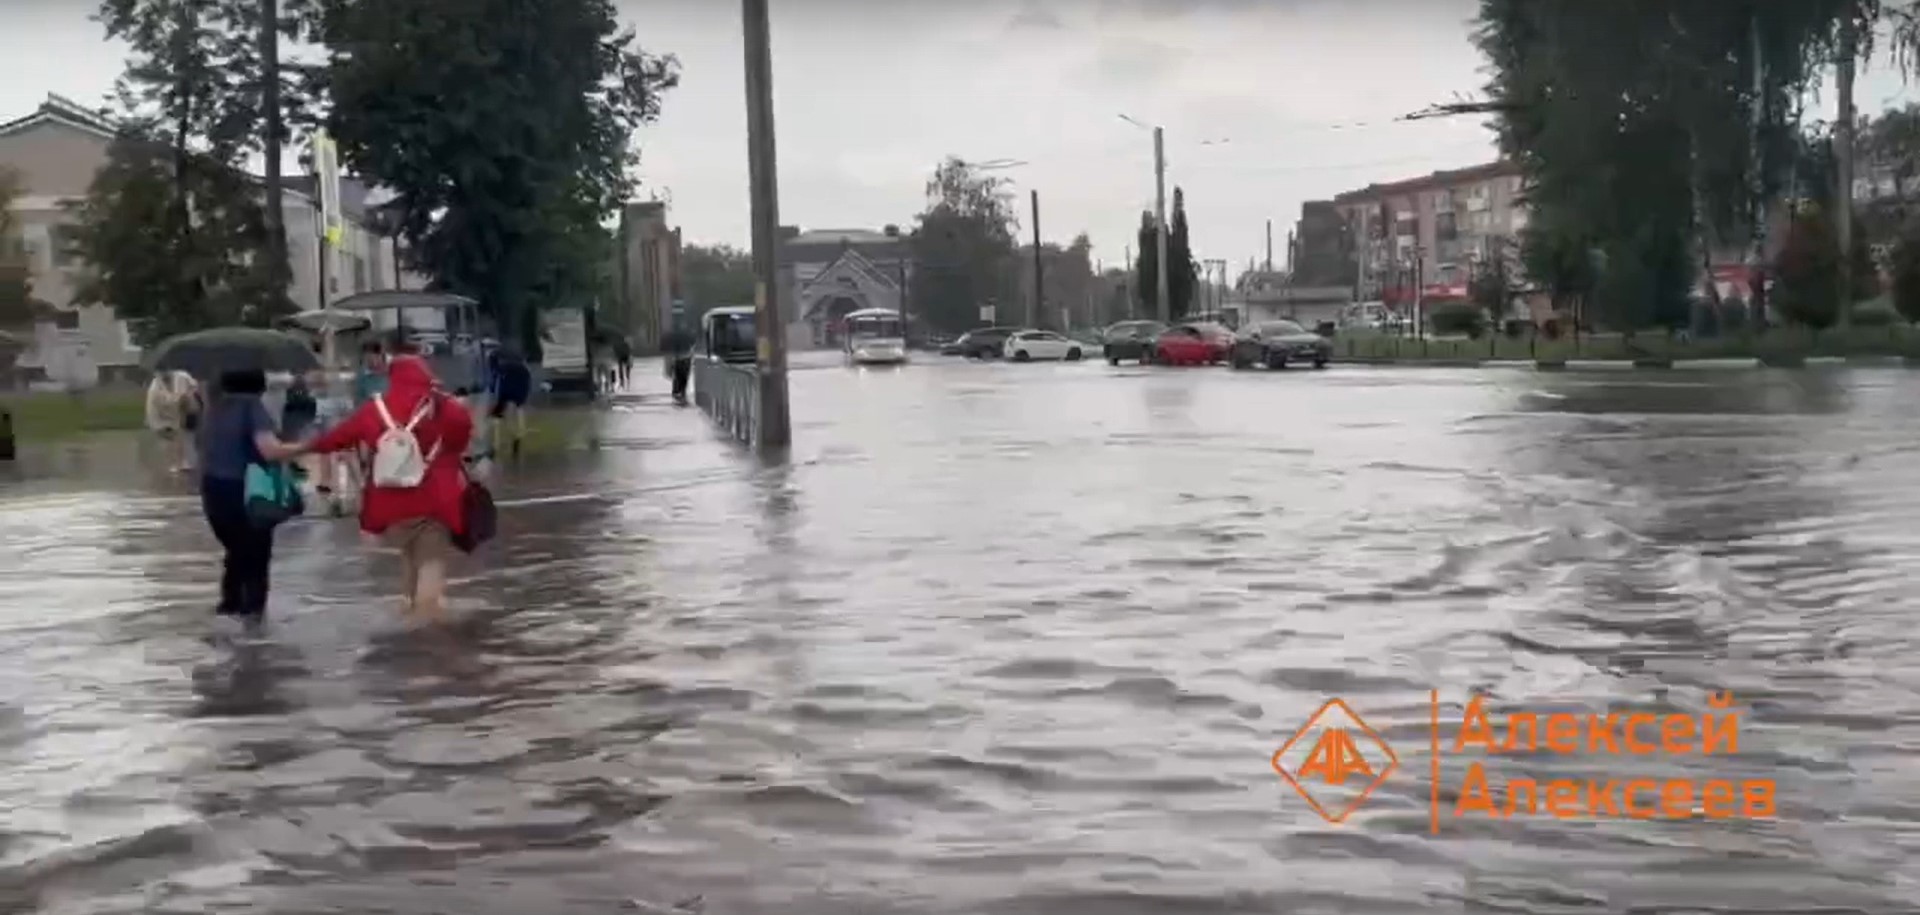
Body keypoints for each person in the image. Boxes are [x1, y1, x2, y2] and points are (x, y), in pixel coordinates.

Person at [295, 356, 474, 625]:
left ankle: (407, 616)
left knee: (409, 557)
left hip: (390, 504)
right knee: (430, 566)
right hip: (435, 499)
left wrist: (298, 449)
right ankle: (427, 640)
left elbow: (337, 438)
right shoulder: (443, 407)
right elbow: (461, 435)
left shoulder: (373, 410)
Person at [198, 368, 304, 621]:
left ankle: (229, 610)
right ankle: (254, 624)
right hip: (246, 492)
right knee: (256, 558)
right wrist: (309, 446)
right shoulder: (252, 406)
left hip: (212, 491)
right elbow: (269, 450)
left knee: (236, 553)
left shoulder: (212, 410)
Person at [145, 369, 202, 473]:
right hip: (165, 419)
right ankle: (177, 463)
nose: (164, 374)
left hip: (186, 413)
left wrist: (189, 395)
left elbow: (195, 387)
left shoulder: (182, 376)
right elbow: (158, 407)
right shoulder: (155, 388)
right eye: (161, 372)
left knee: (187, 436)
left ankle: (187, 462)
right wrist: (179, 400)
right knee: (174, 439)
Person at [487, 343, 533, 455]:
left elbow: (494, 378)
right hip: (519, 394)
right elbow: (527, 384)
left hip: (505, 392)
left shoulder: (502, 366)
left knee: (497, 418)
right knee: (518, 412)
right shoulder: (524, 369)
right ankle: (518, 436)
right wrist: (523, 398)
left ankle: (496, 445)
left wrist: (493, 389)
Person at [662, 323, 694, 404]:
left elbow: (669, 348)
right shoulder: (687, 335)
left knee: (678, 376)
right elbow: (692, 344)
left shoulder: (673, 336)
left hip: (678, 358)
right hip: (686, 358)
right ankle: (682, 391)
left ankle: (677, 391)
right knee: (684, 377)